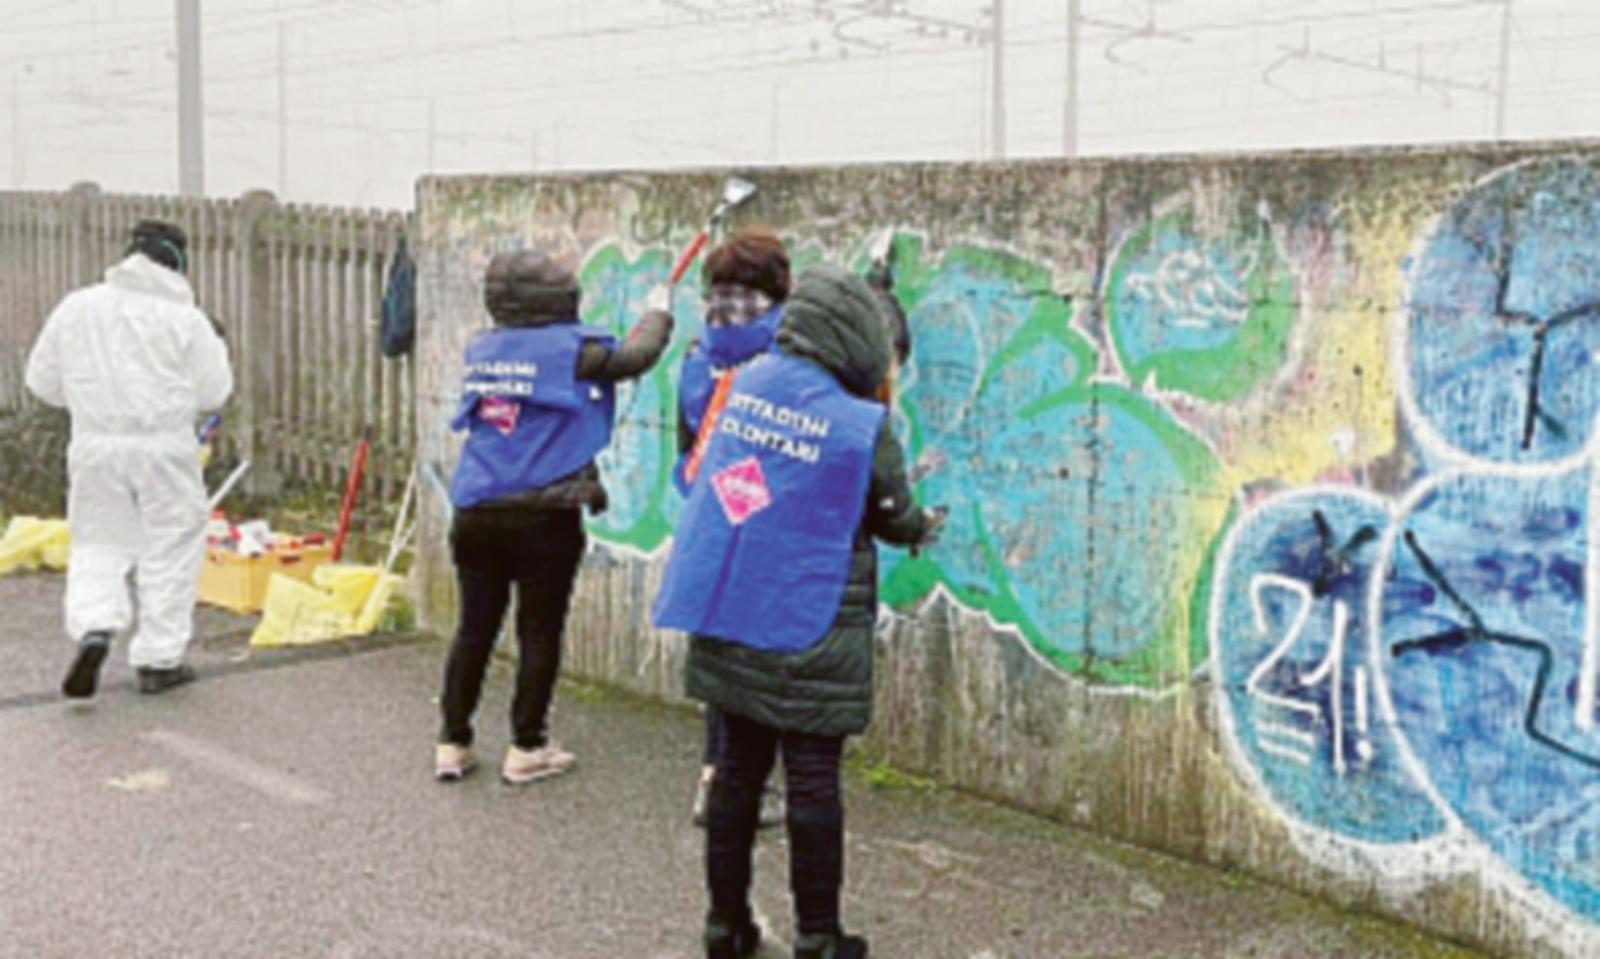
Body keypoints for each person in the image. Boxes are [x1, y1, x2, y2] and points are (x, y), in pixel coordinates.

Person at [654, 265, 943, 959]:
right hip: (812, 620)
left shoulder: (745, 384)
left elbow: (719, 476)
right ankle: (818, 937)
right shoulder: (859, 422)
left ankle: (724, 928)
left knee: (737, 774)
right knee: (812, 782)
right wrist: (922, 524)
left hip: (732, 608)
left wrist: (768, 517)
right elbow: (893, 514)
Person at [437, 249, 673, 785]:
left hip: (475, 508)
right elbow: (636, 358)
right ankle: (527, 747)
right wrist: (659, 313)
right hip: (544, 514)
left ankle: (452, 742)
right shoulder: (572, 351)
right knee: (538, 631)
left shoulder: (482, 349)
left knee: (474, 628)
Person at [24, 219, 233, 699]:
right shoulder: (186, 319)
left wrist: (90, 400)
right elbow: (214, 390)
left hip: (95, 447)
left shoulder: (77, 307)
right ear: (178, 263)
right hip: (164, 448)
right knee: (170, 547)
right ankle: (159, 660)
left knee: (99, 542)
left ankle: (95, 627)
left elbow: (42, 383)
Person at [675, 228, 792, 830]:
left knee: (720, 654)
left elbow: (685, 441)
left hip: (707, 513)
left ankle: (711, 775)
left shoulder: (699, 351)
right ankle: (745, 789)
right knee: (762, 657)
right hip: (764, 520)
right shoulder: (785, 350)